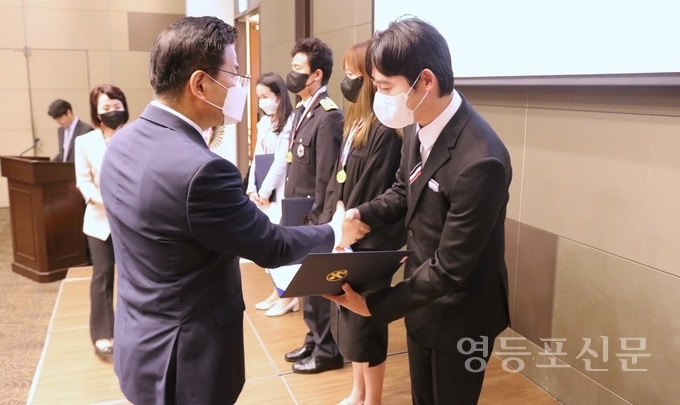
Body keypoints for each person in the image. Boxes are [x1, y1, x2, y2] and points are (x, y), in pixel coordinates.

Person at [99, 16, 367, 405]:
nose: (241, 87)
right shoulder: (201, 170)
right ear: (200, 84)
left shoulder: (122, 142)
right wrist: (336, 231)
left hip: (138, 339)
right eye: (235, 74)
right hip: (185, 358)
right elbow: (270, 245)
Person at [326, 18, 512, 405]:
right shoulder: (415, 123)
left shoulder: (481, 160)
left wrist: (374, 306)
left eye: (384, 87)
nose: (378, 97)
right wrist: (362, 215)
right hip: (421, 299)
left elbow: (451, 267)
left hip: (463, 315)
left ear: (425, 80)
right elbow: (402, 190)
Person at [320, 40, 405, 405]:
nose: (348, 80)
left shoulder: (386, 130)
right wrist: (333, 226)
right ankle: (358, 391)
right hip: (345, 235)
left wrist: (348, 227)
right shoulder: (356, 121)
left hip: (369, 240)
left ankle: (373, 398)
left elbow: (374, 187)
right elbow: (338, 177)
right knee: (349, 316)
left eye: (354, 73)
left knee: (367, 320)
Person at [282, 37, 345, 374]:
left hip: (314, 216)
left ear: (316, 74)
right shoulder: (302, 110)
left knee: (319, 287)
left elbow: (326, 176)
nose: (291, 74)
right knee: (306, 284)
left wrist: (320, 222)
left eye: (298, 68)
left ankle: (327, 350)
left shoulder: (328, 116)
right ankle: (313, 339)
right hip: (299, 212)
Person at [74, 84, 129, 360]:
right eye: (106, 108)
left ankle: (132, 331)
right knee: (103, 275)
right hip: (99, 220)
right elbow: (83, 181)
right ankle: (103, 334)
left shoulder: (135, 136)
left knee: (135, 276)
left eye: (117, 106)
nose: (112, 111)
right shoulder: (84, 142)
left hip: (132, 220)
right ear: (97, 113)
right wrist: (106, 202)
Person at [247, 72, 300, 316]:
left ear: (278, 96)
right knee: (267, 243)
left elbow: (281, 161)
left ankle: (289, 296)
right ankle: (277, 291)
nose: (262, 102)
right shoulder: (264, 123)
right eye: (259, 97)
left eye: (265, 96)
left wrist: (266, 190)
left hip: (279, 192)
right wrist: (252, 188)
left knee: (282, 243)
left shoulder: (291, 122)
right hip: (263, 194)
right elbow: (257, 157)